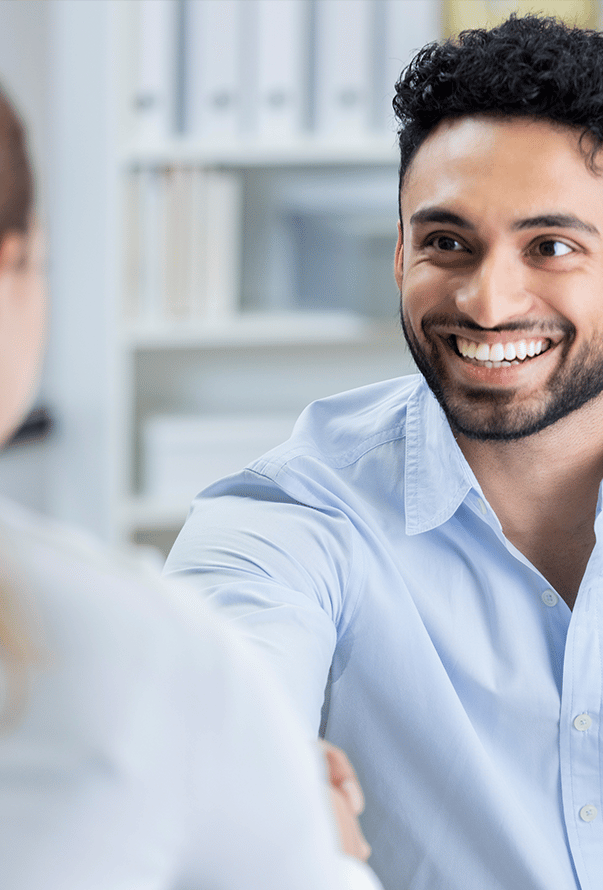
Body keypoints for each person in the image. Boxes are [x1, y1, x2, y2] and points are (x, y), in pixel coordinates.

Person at [165, 15, 603, 890]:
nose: (487, 300)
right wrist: (251, 774)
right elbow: (222, 681)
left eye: (551, 247)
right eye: (446, 242)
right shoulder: (295, 512)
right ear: (399, 255)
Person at [0, 85, 381, 890]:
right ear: (15, 263)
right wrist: (284, 787)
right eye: (445, 242)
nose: (489, 301)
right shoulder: (113, 643)